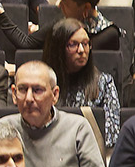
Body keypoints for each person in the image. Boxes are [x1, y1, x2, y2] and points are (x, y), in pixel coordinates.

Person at [9, 61, 103, 167]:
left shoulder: (78, 127)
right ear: (14, 94)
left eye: (37, 90)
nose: (29, 98)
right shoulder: (2, 129)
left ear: (55, 95)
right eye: (23, 89)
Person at [45, 18, 121, 153]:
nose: (81, 50)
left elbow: (112, 135)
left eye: (85, 44)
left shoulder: (104, 83)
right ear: (59, 48)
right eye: (73, 44)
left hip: (90, 152)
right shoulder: (43, 83)